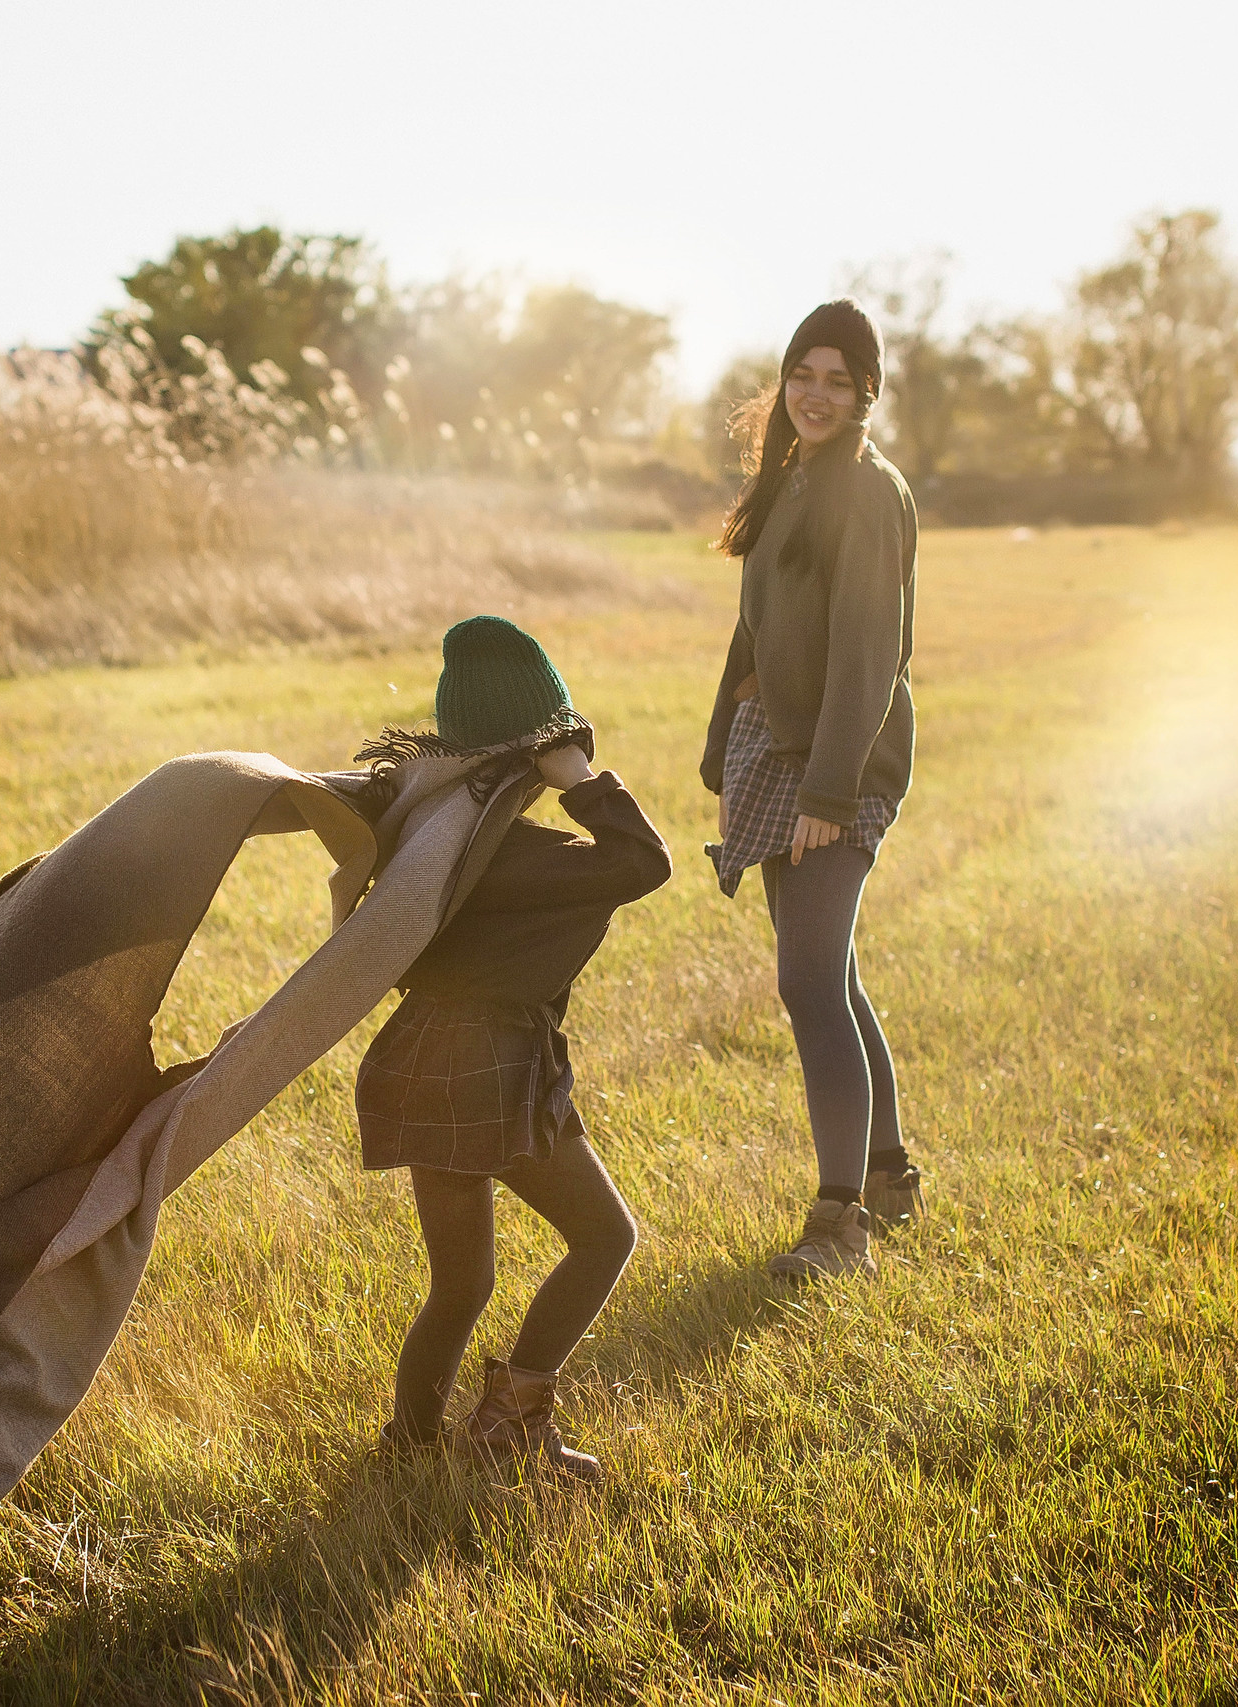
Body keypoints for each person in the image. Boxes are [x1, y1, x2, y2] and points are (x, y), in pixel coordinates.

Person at [358, 615, 672, 1478]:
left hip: (418, 1060)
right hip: (489, 1067)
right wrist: (582, 778)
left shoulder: (427, 849)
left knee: (460, 1284)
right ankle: (508, 1422)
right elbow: (645, 862)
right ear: (538, 753)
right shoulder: (538, 859)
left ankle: (409, 1446)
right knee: (607, 1238)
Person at [700, 299, 923, 1282]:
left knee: (804, 982)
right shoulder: (788, 482)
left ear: (867, 392)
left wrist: (829, 795)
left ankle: (840, 1229)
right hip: (778, 752)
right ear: (782, 383)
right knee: (829, 975)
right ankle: (889, 1174)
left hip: (843, 760)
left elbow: (868, 659)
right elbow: (754, 632)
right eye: (803, 375)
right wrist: (722, 748)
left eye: (838, 380)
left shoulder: (865, 492)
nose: (816, 394)